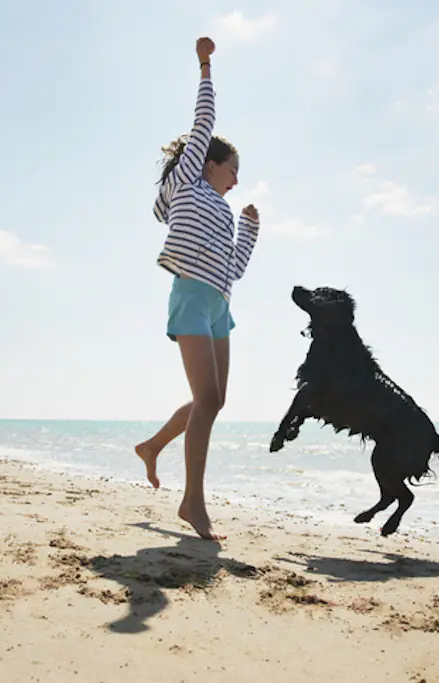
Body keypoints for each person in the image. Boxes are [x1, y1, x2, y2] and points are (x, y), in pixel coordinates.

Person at [134, 36, 260, 541]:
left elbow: (234, 270)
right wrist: (205, 66)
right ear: (209, 164)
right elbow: (203, 123)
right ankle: (192, 502)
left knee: (214, 400)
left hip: (219, 305)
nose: (235, 181)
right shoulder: (189, 183)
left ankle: (152, 447)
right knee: (206, 400)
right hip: (190, 297)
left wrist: (250, 230)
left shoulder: (226, 210)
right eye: (233, 171)